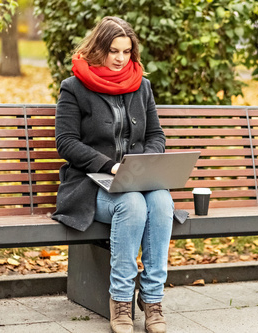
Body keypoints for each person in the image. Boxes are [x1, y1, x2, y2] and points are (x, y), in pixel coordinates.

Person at [52, 16, 185, 333]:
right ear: (98, 48)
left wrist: (142, 163)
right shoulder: (74, 88)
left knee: (162, 202)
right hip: (90, 185)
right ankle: (121, 300)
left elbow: (156, 135)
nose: (120, 59)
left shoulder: (142, 86)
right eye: (113, 51)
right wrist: (110, 166)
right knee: (133, 205)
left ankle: (152, 300)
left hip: (137, 178)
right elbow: (66, 142)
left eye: (126, 52)